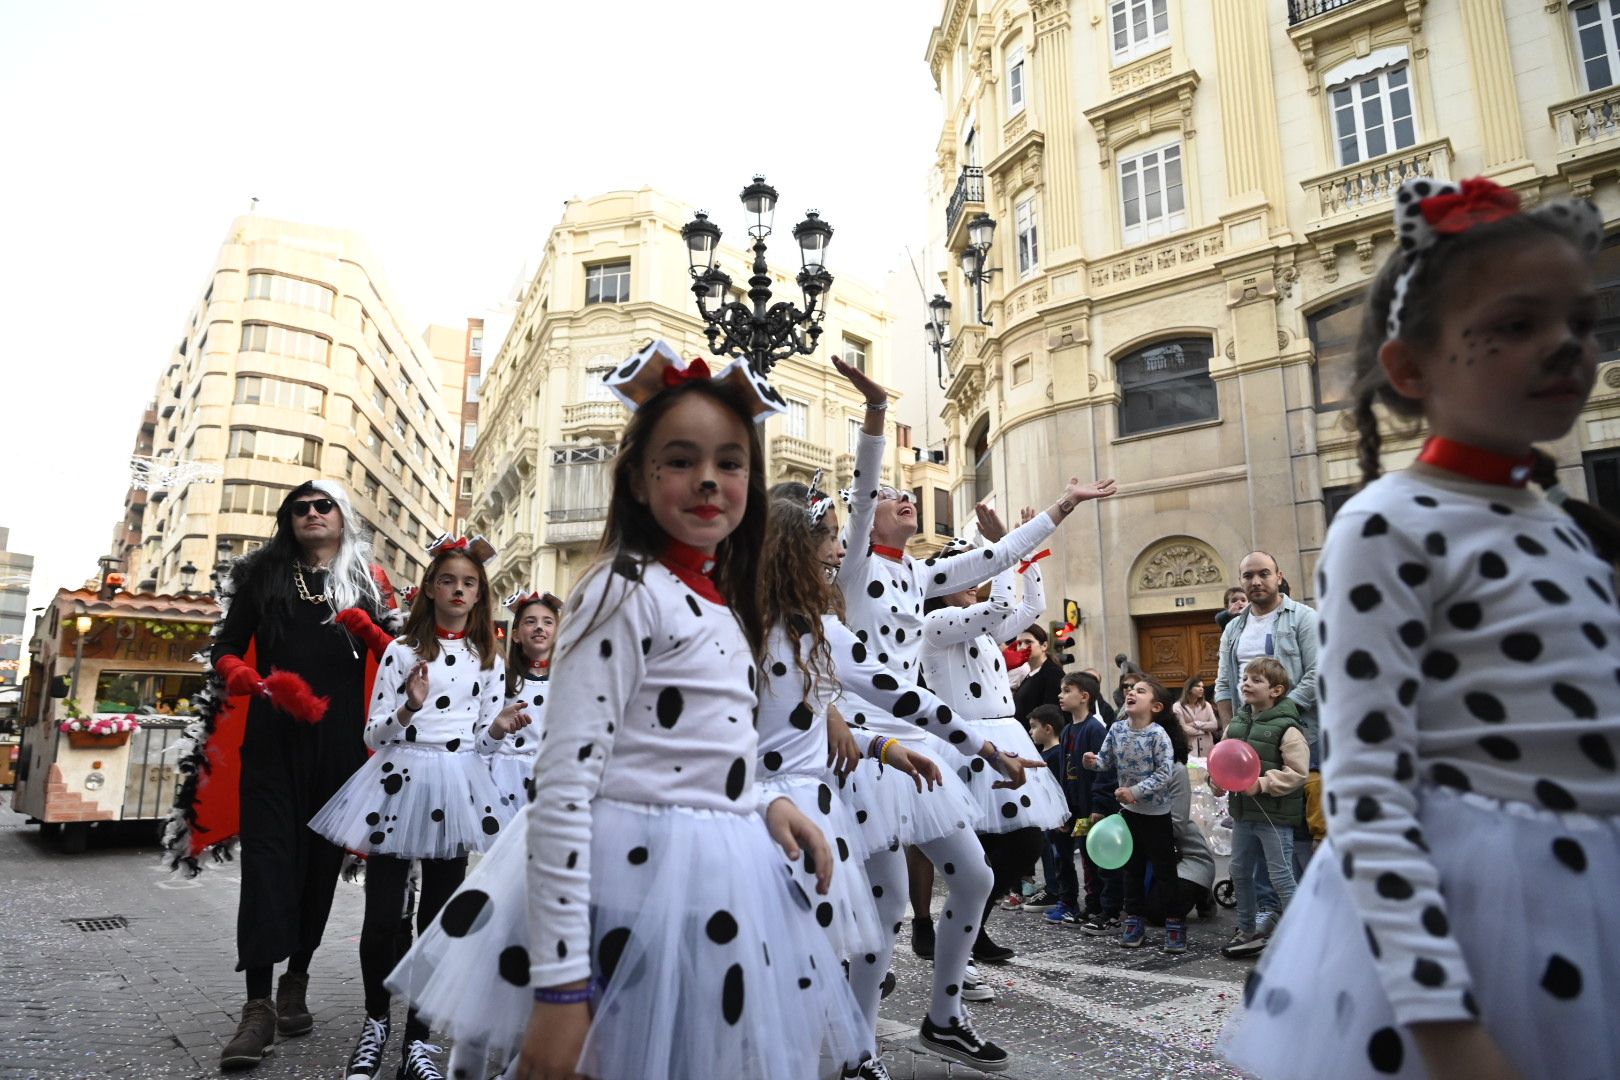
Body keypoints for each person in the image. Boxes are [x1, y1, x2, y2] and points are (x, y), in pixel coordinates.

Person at [1220, 177, 1620, 1080]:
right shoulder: (1386, 524)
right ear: (1410, 369)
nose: (1566, 344)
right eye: (1518, 324)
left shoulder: (1565, 524)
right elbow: (1368, 791)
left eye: (1582, 322)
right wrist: (1448, 1032)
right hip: (1485, 925)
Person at [389, 344, 871, 1080]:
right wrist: (561, 988)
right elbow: (565, 787)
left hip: (714, 883)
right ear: (639, 482)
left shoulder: (723, 602)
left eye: (730, 461)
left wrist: (766, 801)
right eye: (680, 459)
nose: (709, 477)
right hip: (620, 887)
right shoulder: (620, 588)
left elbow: (698, 745)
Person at [761, 481, 1022, 1080]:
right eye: (828, 538)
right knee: (783, 964)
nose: (837, 550)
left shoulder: (824, 633)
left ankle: (872, 1047)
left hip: (829, 787)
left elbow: (899, 695)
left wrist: (908, 746)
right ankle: (849, 1051)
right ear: (794, 549)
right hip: (757, 813)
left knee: (901, 908)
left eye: (838, 539)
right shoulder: (739, 629)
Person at [171, 481, 398, 1072]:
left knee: (319, 871)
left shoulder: (368, 582)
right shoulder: (264, 575)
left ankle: (297, 978)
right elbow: (224, 646)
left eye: (323, 506)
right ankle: (258, 1006)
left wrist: (376, 633)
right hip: (272, 743)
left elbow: (401, 658)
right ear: (288, 519)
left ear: (342, 517)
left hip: (342, 748)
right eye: (300, 508)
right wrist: (241, 674)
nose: (312, 515)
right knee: (269, 865)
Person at [311, 535, 519, 1080]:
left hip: (455, 789)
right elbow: (374, 734)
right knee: (382, 919)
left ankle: (418, 1041)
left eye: (468, 583)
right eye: (447, 579)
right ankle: (375, 1025)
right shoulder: (402, 651)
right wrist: (410, 706)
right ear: (430, 588)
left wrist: (497, 729)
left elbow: (483, 742)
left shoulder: (488, 659)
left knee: (438, 921)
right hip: (399, 785)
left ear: (480, 595)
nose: (457, 589)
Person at [919, 531, 1069, 968]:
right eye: (962, 571)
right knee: (992, 851)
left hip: (1002, 737)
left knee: (1022, 844)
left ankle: (971, 928)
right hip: (967, 746)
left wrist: (1023, 557)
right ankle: (962, 935)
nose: (974, 577)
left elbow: (1029, 608)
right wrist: (1002, 552)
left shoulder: (980, 629)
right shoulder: (935, 624)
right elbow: (1001, 606)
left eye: (976, 569)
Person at [1213, 658, 1307, 961]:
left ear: (1276, 690)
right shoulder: (1237, 723)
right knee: (1239, 871)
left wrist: (1263, 783)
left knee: (1281, 877)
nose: (1246, 684)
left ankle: (1302, 934)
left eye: (1256, 680)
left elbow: (1298, 772)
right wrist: (1215, 780)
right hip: (1242, 814)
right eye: (1245, 678)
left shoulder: (1287, 727)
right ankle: (1246, 930)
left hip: (1274, 817)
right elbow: (1223, 758)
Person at [1082, 676, 1186, 949]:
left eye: (1141, 691)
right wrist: (1093, 762)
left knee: (1165, 872)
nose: (1131, 693)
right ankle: (1135, 920)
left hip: (1156, 814)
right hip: (1128, 813)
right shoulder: (1116, 729)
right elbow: (1106, 762)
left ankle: (1175, 924)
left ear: (1156, 707)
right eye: (1131, 689)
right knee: (1132, 869)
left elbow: (1165, 773)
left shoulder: (1158, 736)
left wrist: (1135, 791)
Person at [484, 590, 561, 812]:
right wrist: (497, 728)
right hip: (503, 782)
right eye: (530, 621)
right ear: (516, 635)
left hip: (550, 784)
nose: (539, 627)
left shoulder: (569, 682)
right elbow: (483, 744)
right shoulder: (501, 680)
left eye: (548, 622)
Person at [1144, 733, 1216, 954]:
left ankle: (1201, 892)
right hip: (1150, 857)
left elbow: (1175, 826)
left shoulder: (1175, 770)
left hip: (1186, 858)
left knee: (1158, 914)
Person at [1057, 672, 1114, 929]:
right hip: (1077, 808)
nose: (1061, 695)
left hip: (1093, 808)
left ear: (1084, 697)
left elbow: (1104, 770)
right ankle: (1092, 905)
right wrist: (1063, 810)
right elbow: (1063, 773)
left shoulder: (1095, 729)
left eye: (1067, 690)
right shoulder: (1067, 730)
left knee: (1102, 859)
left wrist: (1100, 805)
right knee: (1087, 858)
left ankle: (1109, 908)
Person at [1027, 705, 1079, 924]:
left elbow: (1061, 788)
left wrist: (1061, 816)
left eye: (1034, 727)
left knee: (1064, 860)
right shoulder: (1043, 753)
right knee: (1058, 860)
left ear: (1048, 729)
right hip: (1049, 818)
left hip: (1059, 820)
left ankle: (1068, 903)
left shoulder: (1057, 755)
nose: (1031, 732)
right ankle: (1062, 899)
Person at [1012, 623, 1063, 721]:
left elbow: (1052, 715)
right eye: (1019, 643)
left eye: (1028, 642)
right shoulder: (1029, 675)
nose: (1022, 647)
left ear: (1044, 646)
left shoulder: (1053, 673)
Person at [1174, 676, 1218, 758]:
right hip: (1189, 749)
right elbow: (1182, 728)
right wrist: (1203, 731)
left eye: (1202, 687)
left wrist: (1195, 724)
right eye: (1198, 686)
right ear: (1189, 689)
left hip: (1207, 750)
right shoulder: (1177, 707)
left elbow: (1214, 725)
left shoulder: (1207, 705)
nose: (1201, 689)